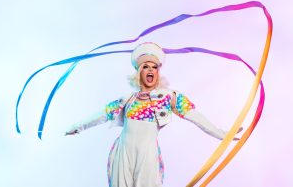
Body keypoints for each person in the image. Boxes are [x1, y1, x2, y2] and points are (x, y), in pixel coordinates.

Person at [65, 42, 241, 187]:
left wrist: (221, 134)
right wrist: (76, 127)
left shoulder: (168, 97)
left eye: (154, 67)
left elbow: (194, 116)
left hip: (147, 154)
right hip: (123, 153)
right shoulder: (127, 100)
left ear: (158, 72)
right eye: (145, 67)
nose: (150, 70)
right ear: (139, 72)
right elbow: (102, 115)